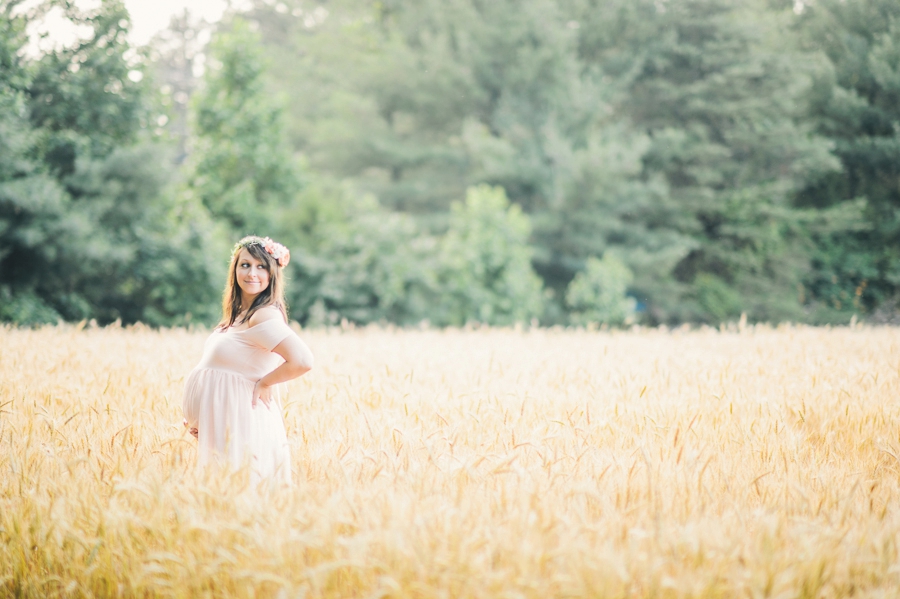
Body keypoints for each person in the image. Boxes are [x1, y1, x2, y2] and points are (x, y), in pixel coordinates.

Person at [182, 235, 314, 484]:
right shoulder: (240, 315)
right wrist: (201, 414)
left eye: (261, 266)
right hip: (225, 422)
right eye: (245, 265)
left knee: (241, 494)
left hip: (243, 422)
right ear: (235, 270)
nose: (252, 273)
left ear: (272, 273)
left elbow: (303, 360)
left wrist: (266, 383)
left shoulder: (264, 315)